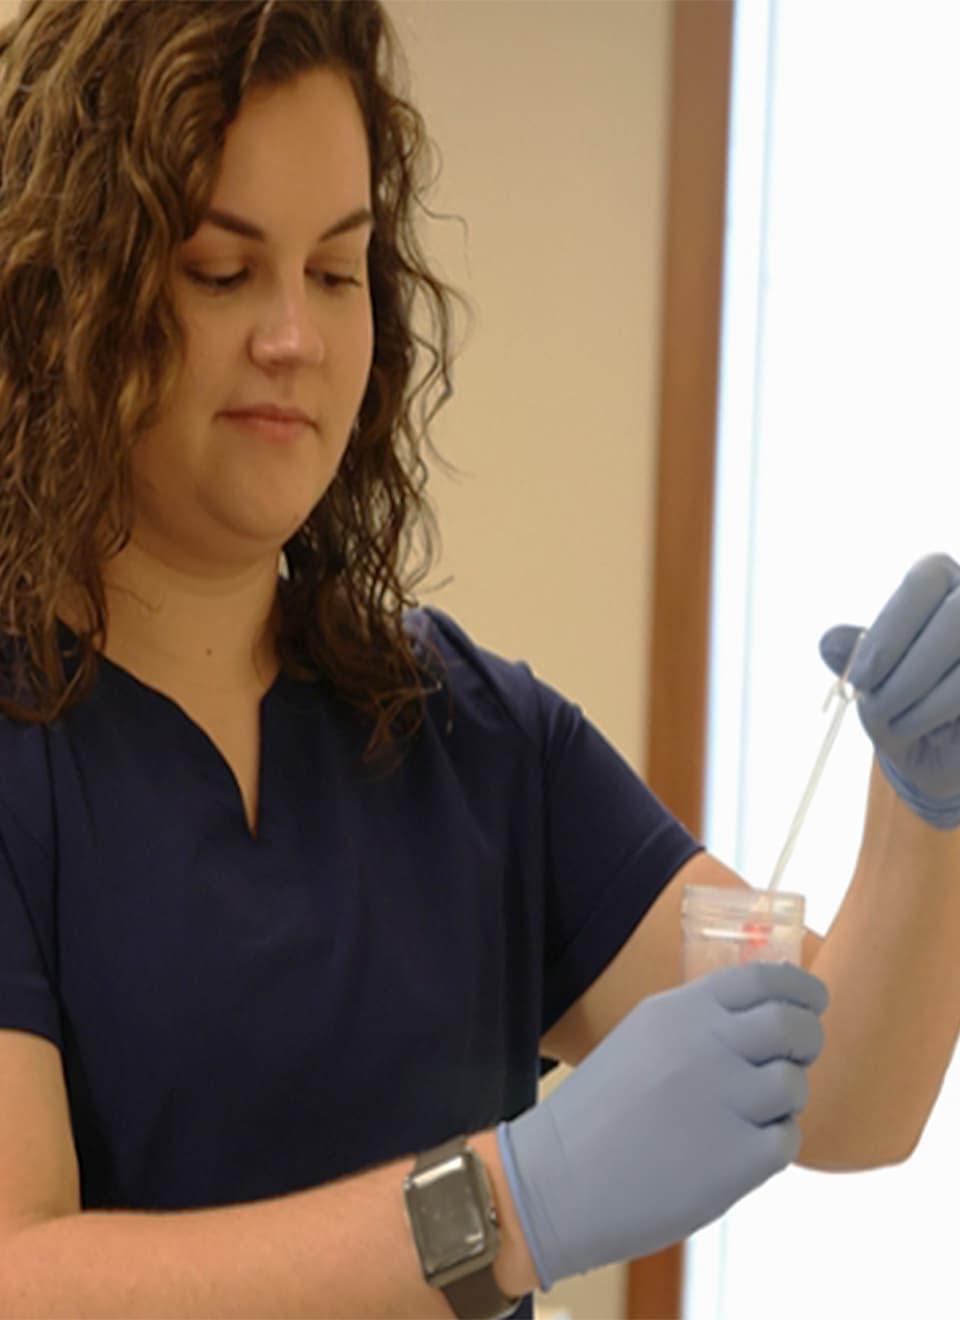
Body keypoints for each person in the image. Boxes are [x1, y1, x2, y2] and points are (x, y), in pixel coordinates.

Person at [0, 3, 957, 1318]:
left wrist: (925, 809)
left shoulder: (471, 737)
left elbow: (847, 1098)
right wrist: (511, 1204)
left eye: (337, 273)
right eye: (223, 271)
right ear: (68, 297)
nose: (298, 338)